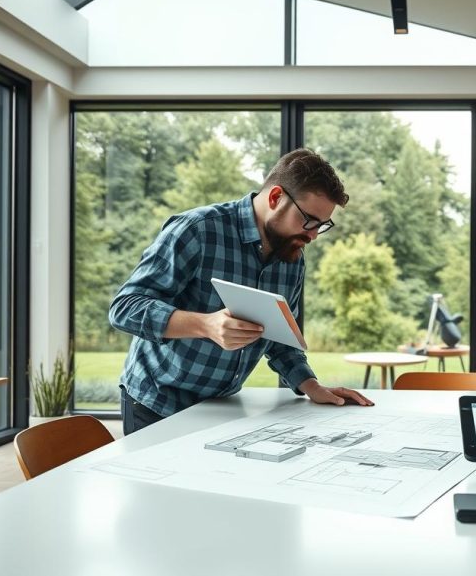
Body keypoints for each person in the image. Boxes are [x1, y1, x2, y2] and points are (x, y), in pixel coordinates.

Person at [110, 148, 373, 435]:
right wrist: (206, 325)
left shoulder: (292, 257)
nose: (312, 235)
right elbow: (125, 308)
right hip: (156, 404)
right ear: (275, 198)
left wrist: (311, 386)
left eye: (321, 225)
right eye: (308, 220)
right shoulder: (197, 229)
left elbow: (281, 338)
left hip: (221, 408)